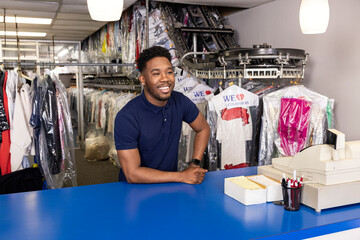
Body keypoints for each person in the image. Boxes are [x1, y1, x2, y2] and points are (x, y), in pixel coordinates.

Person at [114, 46, 210, 184]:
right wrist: (182, 176)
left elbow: (203, 128)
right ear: (143, 79)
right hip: (136, 190)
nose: (165, 79)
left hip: (170, 184)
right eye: (156, 73)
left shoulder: (180, 101)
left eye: (169, 72)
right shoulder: (127, 117)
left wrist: (195, 163)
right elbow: (132, 174)